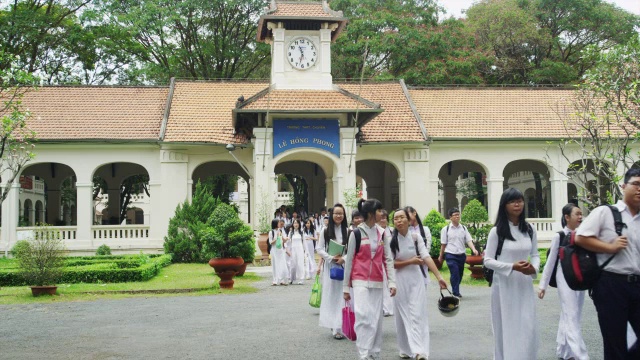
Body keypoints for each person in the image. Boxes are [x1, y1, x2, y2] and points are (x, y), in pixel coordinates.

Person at [575, 168, 640, 360]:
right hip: (611, 284)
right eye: (636, 184)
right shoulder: (605, 212)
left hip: (638, 284)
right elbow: (580, 237)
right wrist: (609, 247)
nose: (639, 189)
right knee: (615, 343)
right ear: (623, 186)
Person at [484, 188, 539, 360]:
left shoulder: (529, 229)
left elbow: (536, 254)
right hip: (504, 286)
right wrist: (512, 266)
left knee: (527, 326)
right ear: (504, 205)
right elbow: (487, 260)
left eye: (520, 200)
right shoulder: (497, 232)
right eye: (512, 201)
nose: (517, 204)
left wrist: (533, 268)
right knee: (505, 327)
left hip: (524, 286)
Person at [391, 208, 447, 360]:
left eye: (402, 217)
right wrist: (411, 261)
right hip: (399, 281)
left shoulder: (416, 237)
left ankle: (419, 351)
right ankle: (404, 348)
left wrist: (439, 276)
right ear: (393, 222)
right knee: (402, 316)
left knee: (417, 314)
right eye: (396, 218)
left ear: (409, 220)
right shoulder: (391, 240)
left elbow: (426, 257)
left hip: (416, 280)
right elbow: (391, 263)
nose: (399, 220)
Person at [343, 198, 396, 360]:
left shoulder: (382, 232)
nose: (382, 214)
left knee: (376, 318)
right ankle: (364, 352)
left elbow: (388, 259)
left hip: (377, 281)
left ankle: (375, 351)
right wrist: (346, 287)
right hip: (359, 280)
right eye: (379, 211)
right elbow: (350, 259)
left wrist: (392, 282)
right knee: (363, 315)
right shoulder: (356, 233)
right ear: (371, 213)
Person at [538, 203, 588, 360]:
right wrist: (542, 286)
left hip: (580, 279)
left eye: (581, 214)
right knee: (571, 314)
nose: (580, 216)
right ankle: (581, 355)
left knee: (571, 314)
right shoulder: (558, 237)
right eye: (577, 214)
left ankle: (563, 351)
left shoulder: (583, 235)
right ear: (567, 217)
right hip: (564, 279)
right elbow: (550, 262)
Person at [316, 204, 349, 339]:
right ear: (331, 215)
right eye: (336, 213)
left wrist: (344, 258)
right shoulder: (325, 230)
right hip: (331, 266)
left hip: (343, 266)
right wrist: (330, 258)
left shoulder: (348, 231)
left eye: (341, 213)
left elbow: (351, 250)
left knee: (342, 295)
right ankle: (334, 324)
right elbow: (319, 248)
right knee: (331, 294)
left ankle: (340, 325)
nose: (338, 216)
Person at [438, 207, 478, 298]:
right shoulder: (446, 229)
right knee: (454, 272)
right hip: (450, 254)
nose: (457, 216)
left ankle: (455, 287)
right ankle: (456, 293)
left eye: (458, 214)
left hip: (461, 255)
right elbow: (443, 244)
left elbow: (469, 240)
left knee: (460, 274)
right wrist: (441, 256)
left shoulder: (463, 228)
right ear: (450, 217)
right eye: (455, 215)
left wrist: (474, 249)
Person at [406, 206, 430, 287]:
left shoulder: (425, 230)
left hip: (422, 263)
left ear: (414, 213)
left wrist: (422, 259)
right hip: (410, 263)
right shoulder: (406, 231)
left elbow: (427, 247)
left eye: (408, 215)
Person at [378, 209, 394, 317]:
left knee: (392, 284)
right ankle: (384, 308)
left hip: (393, 261)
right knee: (384, 286)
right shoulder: (377, 232)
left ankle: (391, 307)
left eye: (385, 218)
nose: (383, 220)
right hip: (380, 262)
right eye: (381, 218)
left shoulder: (392, 231)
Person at [269, 219, 289, 286]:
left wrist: (286, 239)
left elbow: (283, 240)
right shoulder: (271, 232)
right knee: (275, 265)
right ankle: (275, 280)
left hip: (280, 250)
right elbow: (271, 242)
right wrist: (276, 237)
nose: (279, 224)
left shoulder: (280, 231)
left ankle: (282, 280)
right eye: (278, 223)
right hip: (274, 250)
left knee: (282, 264)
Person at [287, 218, 307, 285]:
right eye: (295, 223)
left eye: (297, 223)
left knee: (300, 264)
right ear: (293, 224)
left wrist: (305, 251)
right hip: (293, 250)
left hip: (300, 250)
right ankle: (291, 278)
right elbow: (288, 242)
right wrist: (288, 251)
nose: (296, 224)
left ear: (299, 224)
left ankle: (301, 278)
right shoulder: (291, 233)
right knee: (293, 265)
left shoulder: (301, 232)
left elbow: (304, 242)